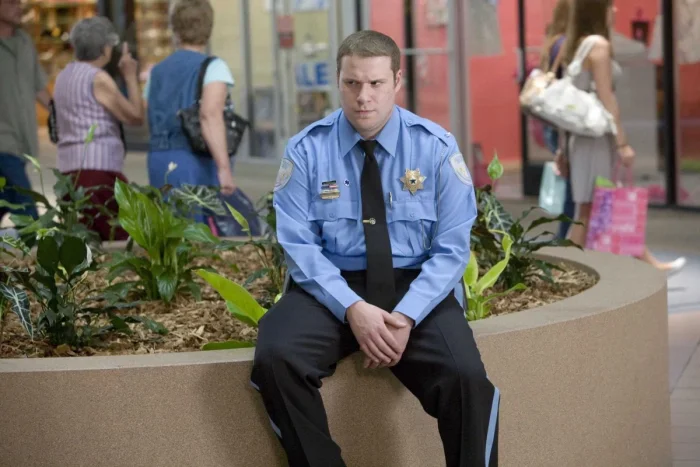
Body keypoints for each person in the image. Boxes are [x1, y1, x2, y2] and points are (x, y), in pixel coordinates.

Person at [251, 30, 499, 467]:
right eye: (351, 83)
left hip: (416, 288)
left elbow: (451, 249)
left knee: (467, 379)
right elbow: (299, 245)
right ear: (338, 80)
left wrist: (406, 316)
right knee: (276, 358)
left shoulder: (435, 148)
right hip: (332, 286)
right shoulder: (306, 150)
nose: (363, 96)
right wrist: (351, 307)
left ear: (397, 81)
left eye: (375, 83)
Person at [556, 0, 685, 274]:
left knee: (599, 204)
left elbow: (569, 102)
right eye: (610, 5)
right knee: (588, 209)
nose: (614, 10)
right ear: (598, 10)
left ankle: (648, 262)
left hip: (581, 141)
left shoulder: (578, 47)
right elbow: (608, 99)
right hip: (595, 141)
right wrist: (623, 143)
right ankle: (559, 273)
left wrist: (562, 150)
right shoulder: (599, 46)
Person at [144, 0, 238, 226]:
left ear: (175, 29)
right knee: (198, 235)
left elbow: (146, 113)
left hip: (158, 158)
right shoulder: (213, 67)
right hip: (193, 161)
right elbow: (210, 115)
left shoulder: (157, 71)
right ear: (208, 28)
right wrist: (224, 168)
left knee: (168, 231)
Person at [53, 17, 143, 241]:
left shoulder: (63, 76)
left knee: (83, 241)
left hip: (68, 172)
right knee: (119, 240)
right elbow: (135, 116)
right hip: (98, 172)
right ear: (104, 48)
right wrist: (130, 76)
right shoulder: (97, 78)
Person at [0, 0, 51, 222]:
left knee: (6, 200)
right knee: (28, 214)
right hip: (3, 143)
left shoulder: (25, 41)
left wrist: (60, 115)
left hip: (23, 143)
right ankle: (35, 244)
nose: (19, 7)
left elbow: (38, 86)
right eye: (12, 2)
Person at [539, 0, 575, 239]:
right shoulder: (565, 44)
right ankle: (564, 237)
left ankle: (565, 236)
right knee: (573, 188)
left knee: (572, 186)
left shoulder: (553, 42)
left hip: (554, 123)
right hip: (563, 123)